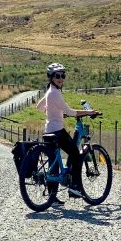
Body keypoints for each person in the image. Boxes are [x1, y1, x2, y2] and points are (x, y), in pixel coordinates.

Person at [36, 62, 98, 202]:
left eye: (62, 75)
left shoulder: (49, 91)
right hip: (57, 131)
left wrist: (54, 112)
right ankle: (74, 188)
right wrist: (89, 112)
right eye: (57, 76)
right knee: (75, 154)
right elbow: (70, 111)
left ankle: (52, 196)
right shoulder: (55, 93)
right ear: (51, 77)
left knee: (54, 162)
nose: (60, 78)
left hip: (48, 131)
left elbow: (39, 107)